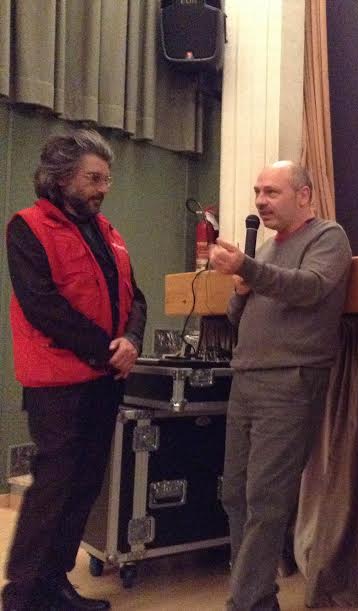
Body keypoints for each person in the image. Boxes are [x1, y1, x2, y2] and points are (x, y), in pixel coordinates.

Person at [3, 129, 146, 611]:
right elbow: (42, 305)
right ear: (61, 177)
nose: (103, 188)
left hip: (104, 380)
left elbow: (136, 298)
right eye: (93, 178)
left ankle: (53, 583)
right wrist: (108, 350)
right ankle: (22, 594)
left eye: (106, 179)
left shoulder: (109, 233)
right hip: (58, 386)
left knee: (84, 486)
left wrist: (132, 340)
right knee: (54, 488)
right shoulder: (27, 227)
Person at [209, 160, 352, 610]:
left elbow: (310, 288)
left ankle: (246, 602)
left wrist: (248, 270)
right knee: (235, 493)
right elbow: (237, 318)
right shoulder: (267, 250)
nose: (260, 201)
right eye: (258, 192)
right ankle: (256, 596)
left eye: (271, 192)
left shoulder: (328, 237)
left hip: (291, 380)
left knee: (266, 498)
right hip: (247, 379)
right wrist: (240, 290)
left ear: (304, 195)